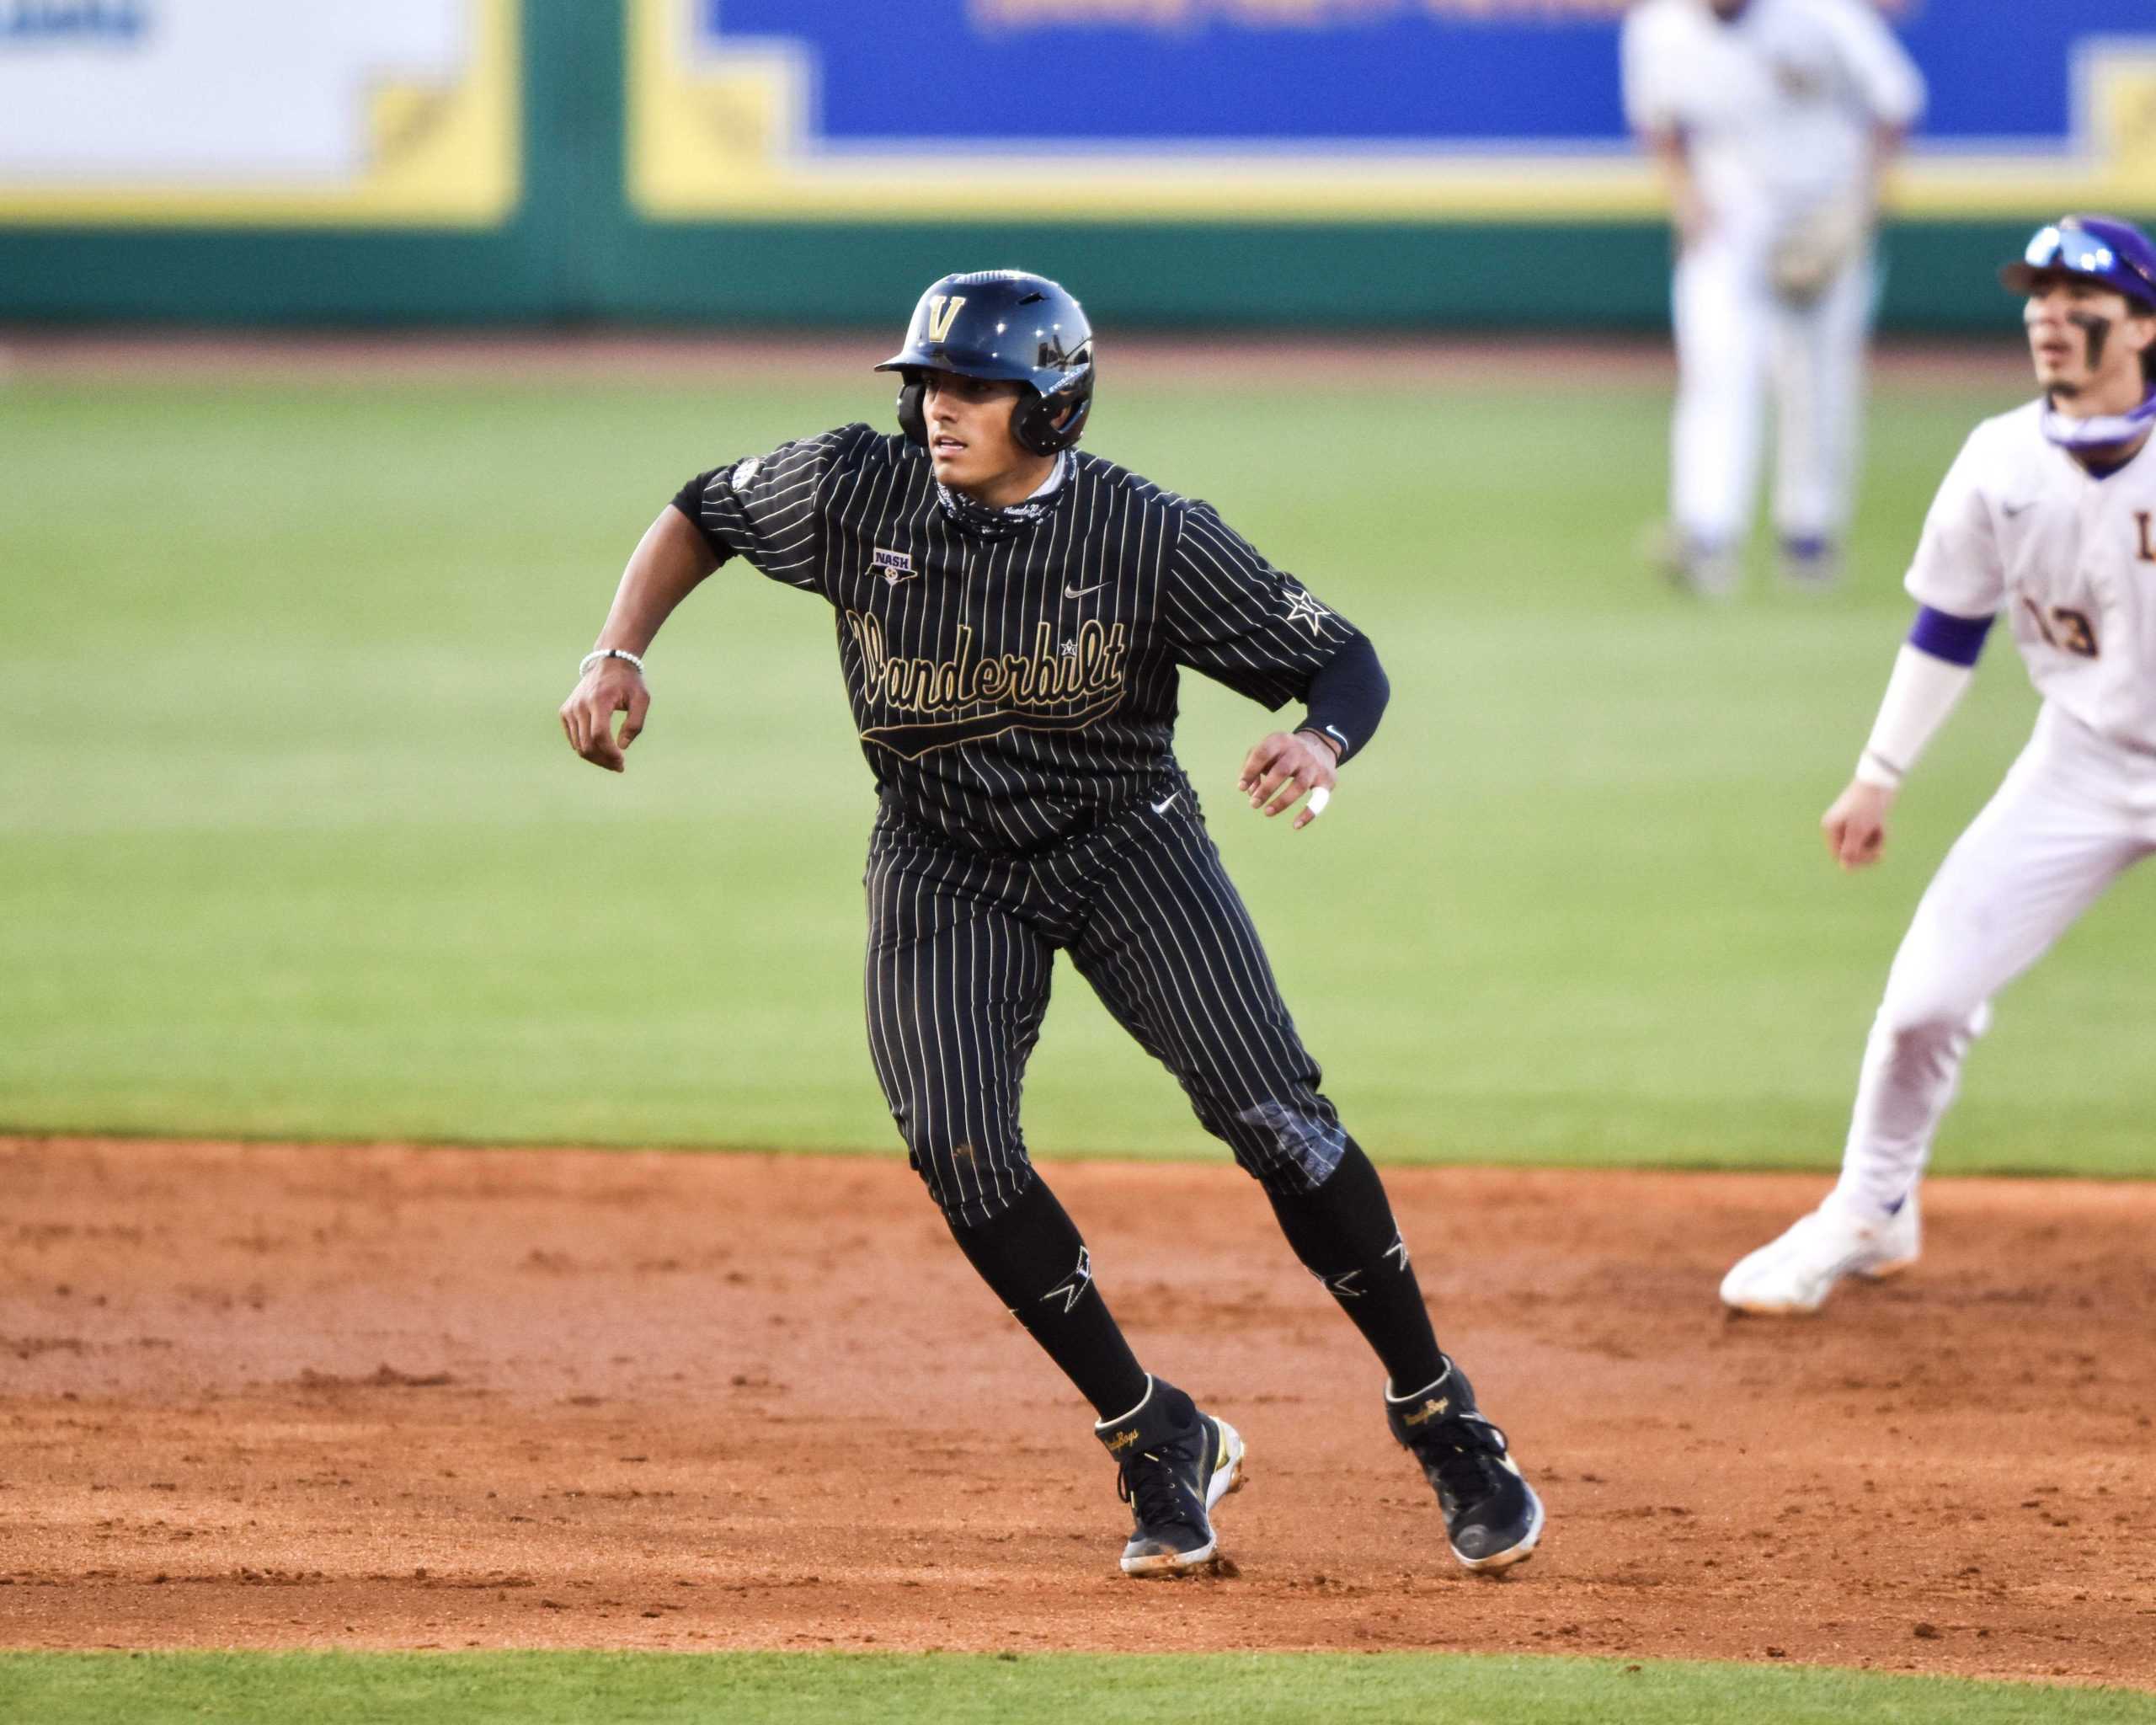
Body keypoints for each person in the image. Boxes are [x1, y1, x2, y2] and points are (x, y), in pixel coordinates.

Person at [558, 271, 1544, 1574]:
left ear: (1054, 407)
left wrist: (1320, 741)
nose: (937, 410)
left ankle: (1443, 1416)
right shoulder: (857, 490)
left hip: (1128, 849)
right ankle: (1155, 1438)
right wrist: (615, 650)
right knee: (959, 1150)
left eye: (972, 388)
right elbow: (704, 508)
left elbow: (1343, 661)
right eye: (926, 385)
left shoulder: (1147, 537)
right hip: (943, 862)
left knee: (1276, 1123)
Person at [1721, 216, 2156, 1315]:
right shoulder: (1999, 459)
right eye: (2039, 298)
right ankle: (1871, 1210)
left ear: (2143, 324)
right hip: (2086, 763)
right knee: (1923, 1003)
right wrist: (1878, 773)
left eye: (2082, 300)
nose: (2050, 318)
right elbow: (1949, 628)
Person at [1622, 0, 1924, 595]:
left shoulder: (1821, 13)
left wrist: (1860, 209)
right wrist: (1686, 198)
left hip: (1824, 211)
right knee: (1717, 372)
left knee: (1819, 380)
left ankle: (1810, 537)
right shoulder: (1656, 27)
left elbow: (1897, 101)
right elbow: (1658, 122)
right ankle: (1707, 534)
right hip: (1731, 219)